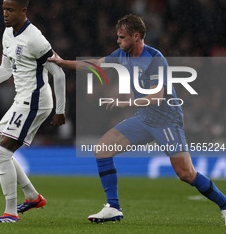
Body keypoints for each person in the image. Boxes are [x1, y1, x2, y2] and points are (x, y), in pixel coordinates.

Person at [49, 14, 226, 224]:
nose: (118, 40)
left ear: (136, 36)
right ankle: (113, 207)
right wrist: (61, 63)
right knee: (103, 149)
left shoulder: (154, 58)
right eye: (118, 36)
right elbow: (96, 65)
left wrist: (127, 103)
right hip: (144, 118)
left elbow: (157, 97)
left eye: (122, 37)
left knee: (186, 173)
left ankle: (224, 204)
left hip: (166, 121)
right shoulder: (122, 54)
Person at [0, 0, 66, 223]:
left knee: (2, 152)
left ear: (23, 10)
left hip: (36, 101)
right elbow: (6, 70)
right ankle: (32, 196)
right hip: (21, 100)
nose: (5, 14)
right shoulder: (7, 34)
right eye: (3, 9)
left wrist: (60, 111)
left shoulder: (35, 38)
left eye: (10, 10)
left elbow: (58, 73)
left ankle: (10, 213)